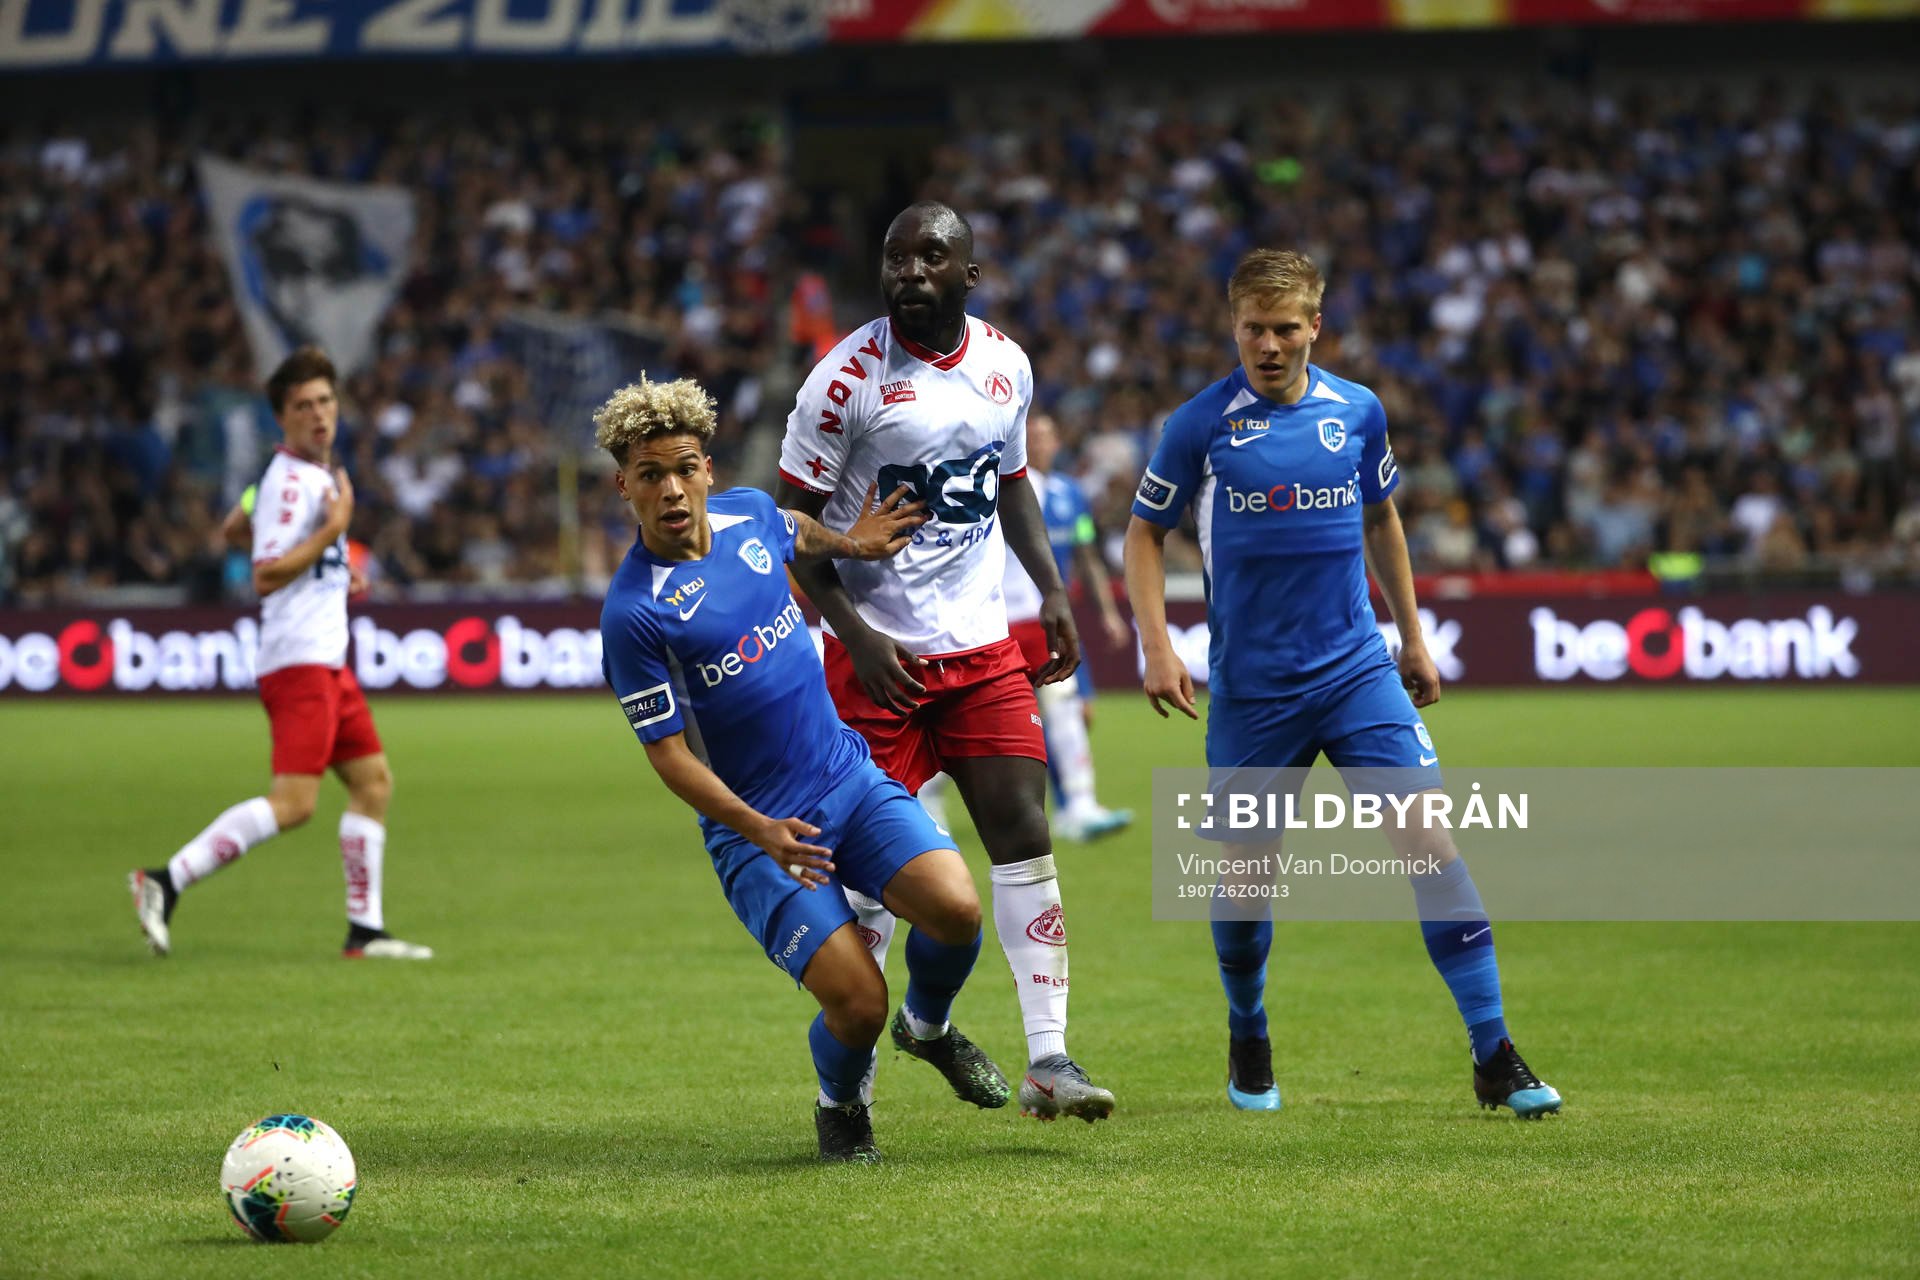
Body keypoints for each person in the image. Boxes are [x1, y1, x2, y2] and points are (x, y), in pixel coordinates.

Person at [1122, 249, 1560, 1118]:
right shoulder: (1199, 425)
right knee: (1248, 878)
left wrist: (1412, 638)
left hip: (1357, 670)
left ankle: (1494, 1052)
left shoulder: (1357, 411)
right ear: (1233, 327)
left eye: (1286, 328)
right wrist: (1157, 646)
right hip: (1254, 692)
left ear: (1315, 326)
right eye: (1254, 329)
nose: (1269, 345)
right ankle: (1248, 1030)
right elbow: (1144, 534)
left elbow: (1382, 516)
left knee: (1431, 843)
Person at [596, 375, 1008, 1163]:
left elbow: (793, 528)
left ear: (707, 469)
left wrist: (853, 541)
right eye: (649, 475)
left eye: (682, 468)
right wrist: (758, 830)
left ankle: (928, 1030)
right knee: (857, 1004)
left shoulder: (748, 513)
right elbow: (669, 757)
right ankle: (840, 1107)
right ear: (625, 487)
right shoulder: (635, 614)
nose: (671, 490)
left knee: (958, 911)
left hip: (847, 779)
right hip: (761, 834)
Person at [776, 201, 1115, 1123]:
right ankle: (849, 1094)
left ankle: (1047, 1057)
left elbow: (1012, 484)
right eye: (896, 258)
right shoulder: (841, 383)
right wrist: (854, 634)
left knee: (1025, 835)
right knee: (868, 888)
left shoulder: (1006, 364)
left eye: (931, 257)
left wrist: (1051, 589)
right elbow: (789, 526)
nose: (910, 272)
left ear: (969, 274)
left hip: (981, 651)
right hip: (873, 663)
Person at [129, 346, 431, 961]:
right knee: (294, 805)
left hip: (327, 661)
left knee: (372, 783)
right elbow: (265, 573)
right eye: (303, 406)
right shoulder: (293, 484)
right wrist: (332, 532)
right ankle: (165, 880)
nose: (318, 414)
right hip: (299, 662)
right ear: (282, 417)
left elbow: (234, 528)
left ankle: (364, 930)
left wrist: (331, 565)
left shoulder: (295, 475)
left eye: (325, 401)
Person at [999, 411, 1133, 842]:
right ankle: (929, 804)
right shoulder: (996, 486)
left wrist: (1108, 612)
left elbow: (1085, 551)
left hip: (1046, 620)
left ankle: (1077, 805)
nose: (1039, 443)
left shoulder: (1068, 495)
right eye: (1032, 436)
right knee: (985, 721)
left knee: (1070, 710)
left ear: (1057, 444)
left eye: (1046, 436)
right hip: (998, 620)